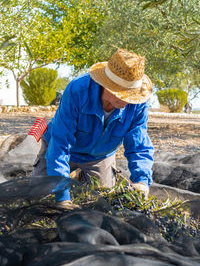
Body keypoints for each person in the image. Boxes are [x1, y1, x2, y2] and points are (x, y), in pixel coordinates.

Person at [32, 48, 154, 209]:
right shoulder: (77, 90)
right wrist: (62, 196)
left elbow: (138, 144)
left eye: (132, 95)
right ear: (108, 87)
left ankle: (79, 176)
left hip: (100, 155)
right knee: (40, 198)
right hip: (64, 149)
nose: (130, 101)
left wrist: (142, 181)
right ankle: (69, 176)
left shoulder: (137, 103)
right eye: (125, 95)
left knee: (101, 202)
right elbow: (60, 145)